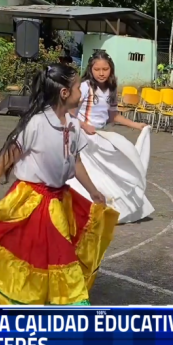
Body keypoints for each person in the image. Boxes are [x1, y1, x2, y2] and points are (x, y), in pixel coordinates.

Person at [0, 64, 119, 305]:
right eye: (76, 87)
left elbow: (77, 162)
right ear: (64, 93)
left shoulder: (73, 126)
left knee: (47, 256)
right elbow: (7, 157)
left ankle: (48, 298)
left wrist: (93, 191)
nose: (81, 91)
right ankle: (65, 303)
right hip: (33, 200)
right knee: (52, 253)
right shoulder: (37, 123)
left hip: (60, 199)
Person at [68, 51, 152, 224]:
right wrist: (84, 125)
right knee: (89, 173)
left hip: (99, 136)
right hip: (83, 136)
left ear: (111, 69)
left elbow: (113, 115)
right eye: (97, 69)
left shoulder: (111, 88)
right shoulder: (85, 87)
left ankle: (111, 208)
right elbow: (70, 113)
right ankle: (82, 209)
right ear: (90, 70)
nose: (101, 73)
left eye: (105, 69)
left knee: (115, 165)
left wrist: (136, 125)